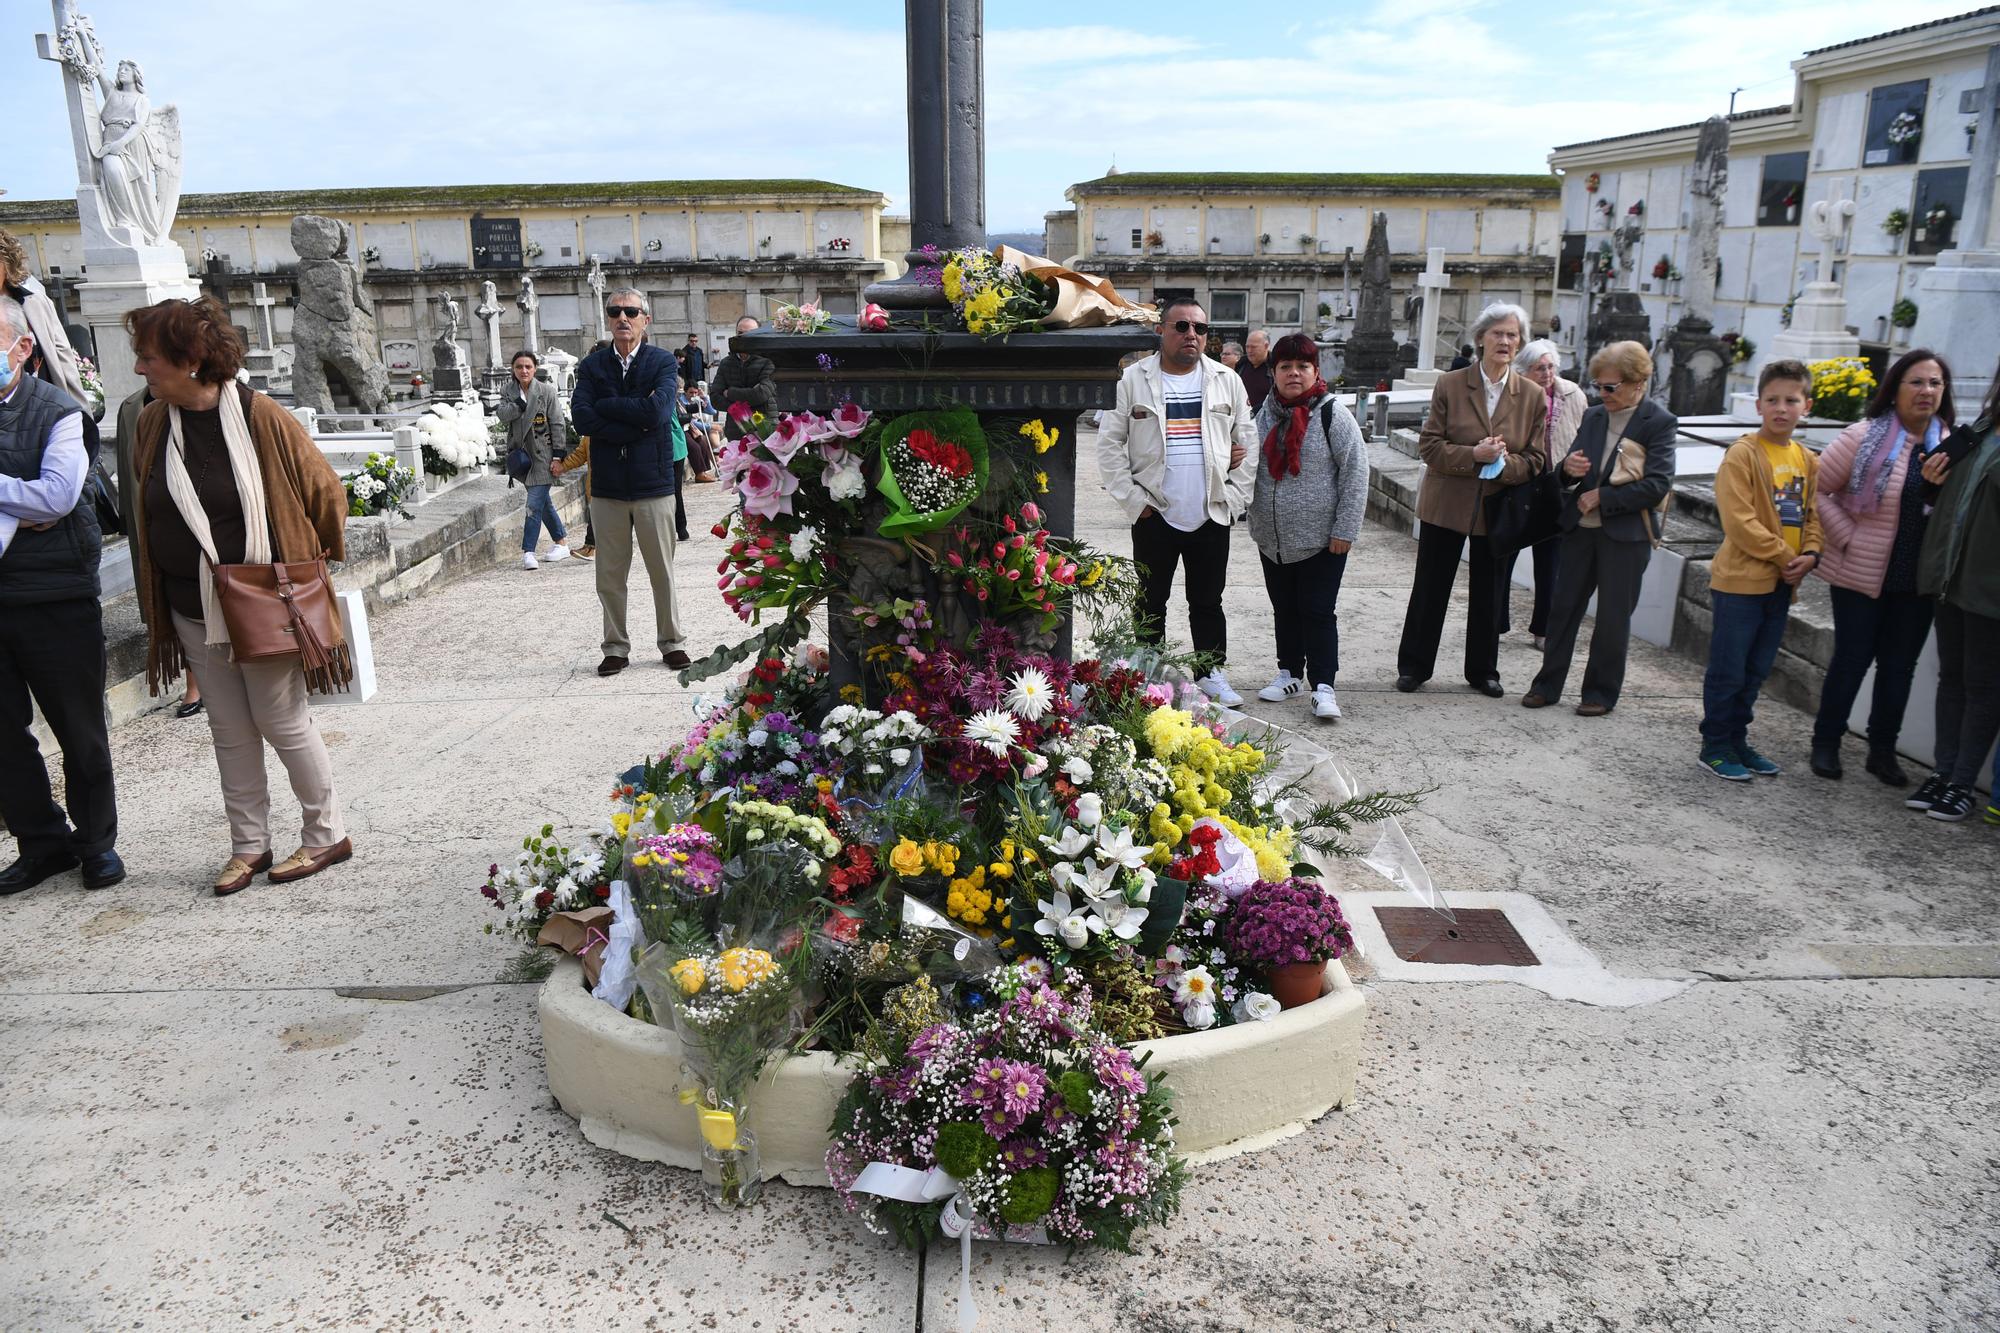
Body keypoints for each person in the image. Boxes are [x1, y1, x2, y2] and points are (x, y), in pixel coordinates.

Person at [125, 296, 352, 894]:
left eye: (149, 358)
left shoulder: (261, 417)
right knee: (228, 727)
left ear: (191, 360)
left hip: (262, 603)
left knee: (281, 719)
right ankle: (249, 845)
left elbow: (326, 494)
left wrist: (308, 567)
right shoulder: (152, 422)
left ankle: (326, 835)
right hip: (191, 606)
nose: (140, 369)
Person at [0, 293, 124, 896]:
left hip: (54, 593)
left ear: (22, 349)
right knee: (3, 736)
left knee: (79, 730)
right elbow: (33, 499)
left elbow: (55, 496)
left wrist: (24, 501)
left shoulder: (59, 412)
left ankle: (97, 843)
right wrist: (13, 502)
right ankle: (42, 843)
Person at [1097, 297, 1257, 704]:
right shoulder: (1133, 380)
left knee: (1208, 600)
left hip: (1210, 512)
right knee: (1151, 599)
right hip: (1156, 512)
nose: (1192, 335)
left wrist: (1234, 500)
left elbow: (1248, 445)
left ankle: (1210, 673)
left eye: (1200, 329)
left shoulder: (1227, 380)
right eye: (1182, 327)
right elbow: (1110, 447)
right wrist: (1136, 503)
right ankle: (1149, 675)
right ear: (1161, 332)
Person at [1808, 349, 1954, 784]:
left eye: (1935, 384)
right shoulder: (1864, 436)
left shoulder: (1952, 445)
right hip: (1860, 572)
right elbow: (1815, 491)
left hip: (1917, 579)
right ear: (1895, 389)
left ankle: (1882, 751)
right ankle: (1826, 742)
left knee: (1898, 667)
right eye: (1917, 382)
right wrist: (1848, 538)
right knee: (1852, 660)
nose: (1927, 391)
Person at [1394, 302, 1546, 697]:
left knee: (1490, 592)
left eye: (1513, 335)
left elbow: (1536, 458)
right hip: (1446, 504)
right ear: (1480, 338)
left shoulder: (1531, 395)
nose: (1506, 341)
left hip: (1497, 510)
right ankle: (1414, 667)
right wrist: (1474, 457)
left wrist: (1504, 462)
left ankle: (1483, 671)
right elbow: (1430, 446)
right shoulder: (1451, 384)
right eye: (1498, 333)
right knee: (1430, 588)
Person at [1521, 341, 1675, 716]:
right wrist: (1567, 473)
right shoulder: (1593, 417)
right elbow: (1568, 472)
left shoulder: (1658, 422)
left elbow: (1658, 484)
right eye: (1598, 386)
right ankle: (1547, 684)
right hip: (1580, 529)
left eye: (1611, 387)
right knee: (1563, 609)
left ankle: (1600, 693)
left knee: (1612, 617)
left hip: (1625, 535)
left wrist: (1603, 498)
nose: (1602, 394)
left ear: (1638, 383)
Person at [1697, 359, 1822, 782]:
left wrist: (1811, 554)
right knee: (1728, 668)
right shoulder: (1743, 455)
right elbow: (1739, 521)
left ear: (1806, 405)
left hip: (1781, 585)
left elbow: (1813, 516)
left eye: (1791, 400)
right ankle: (1715, 744)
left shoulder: (1807, 458)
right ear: (1758, 405)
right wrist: (1785, 557)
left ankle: (1738, 739)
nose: (1781, 408)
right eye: (1773, 400)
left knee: (1755, 670)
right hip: (1741, 582)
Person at [1247, 334, 1368, 721]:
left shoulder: (1333, 414)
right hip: (1273, 538)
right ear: (1274, 373)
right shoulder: (1263, 414)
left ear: (1316, 371)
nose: (1294, 374)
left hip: (1322, 540)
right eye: (1286, 367)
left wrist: (1345, 530)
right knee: (1284, 608)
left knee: (1317, 611)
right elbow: (1248, 463)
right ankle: (1288, 673)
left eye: (1302, 366)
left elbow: (1355, 472)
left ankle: (1323, 685)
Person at [570, 288, 686, 677]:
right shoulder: (592, 367)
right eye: (615, 311)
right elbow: (582, 419)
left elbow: (657, 412)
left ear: (644, 319)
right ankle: (615, 647)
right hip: (608, 487)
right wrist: (630, 420)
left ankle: (671, 643)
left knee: (662, 571)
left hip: (653, 483)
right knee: (610, 574)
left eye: (631, 311)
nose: (623, 318)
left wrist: (608, 410)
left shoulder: (662, 362)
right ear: (608, 318)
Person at [1909, 359, 2000, 823]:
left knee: (1984, 687)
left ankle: (1962, 784)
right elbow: (1947, 501)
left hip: (1990, 588)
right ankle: (1944, 774)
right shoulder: (1982, 430)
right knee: (1953, 679)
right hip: (1950, 575)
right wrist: (1932, 481)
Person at [1515, 339, 1590, 648]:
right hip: (1520, 483)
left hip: (1558, 486)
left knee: (1551, 564)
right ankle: (1496, 623)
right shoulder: (1516, 394)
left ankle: (1543, 628)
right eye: (1538, 368)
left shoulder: (1574, 394)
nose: (1546, 373)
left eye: (1550, 367)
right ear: (1525, 372)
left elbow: (1584, 434)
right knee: (1503, 555)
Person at [495, 350, 571, 570]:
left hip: (543, 456)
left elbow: (557, 423)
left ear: (535, 368)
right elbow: (502, 415)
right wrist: (520, 403)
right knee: (543, 502)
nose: (524, 371)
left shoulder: (546, 391)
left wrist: (558, 455)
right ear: (513, 369)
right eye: (519, 367)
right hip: (522, 458)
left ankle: (528, 551)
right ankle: (562, 543)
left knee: (533, 505)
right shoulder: (508, 391)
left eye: (528, 366)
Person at [0, 228, 90, 412]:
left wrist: (81, 414)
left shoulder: (36, 304)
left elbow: (63, 359)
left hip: (45, 409)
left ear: (7, 265)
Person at [709, 316, 775, 439]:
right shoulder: (726, 363)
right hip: (736, 432)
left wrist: (730, 393)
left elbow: (761, 394)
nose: (744, 337)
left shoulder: (768, 361)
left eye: (750, 333)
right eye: (740, 333)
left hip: (765, 429)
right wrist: (736, 409)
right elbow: (715, 398)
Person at [1236, 328, 1273, 412]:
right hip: (1241, 419)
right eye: (1247, 347)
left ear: (1266, 346)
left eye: (1253, 347)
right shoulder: (1241, 365)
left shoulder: (1275, 367)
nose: (1249, 350)